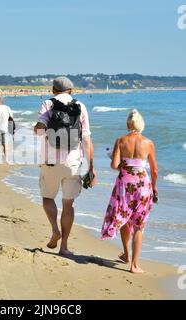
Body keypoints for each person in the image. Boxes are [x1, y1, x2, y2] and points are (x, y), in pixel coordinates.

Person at [34, 76, 96, 256]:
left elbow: (39, 131)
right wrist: (91, 167)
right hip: (74, 163)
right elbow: (86, 139)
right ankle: (64, 246)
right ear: (71, 90)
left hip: (50, 161)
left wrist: (39, 126)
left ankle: (55, 229)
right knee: (68, 204)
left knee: (47, 198)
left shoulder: (48, 104)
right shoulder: (80, 106)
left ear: (54, 89)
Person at [101, 109, 158, 274]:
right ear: (141, 124)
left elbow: (114, 165)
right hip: (143, 186)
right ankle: (134, 264)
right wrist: (154, 187)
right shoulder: (148, 143)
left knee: (124, 218)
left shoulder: (120, 140)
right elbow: (154, 170)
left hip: (124, 185)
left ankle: (126, 254)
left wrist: (121, 165)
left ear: (128, 124)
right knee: (139, 225)